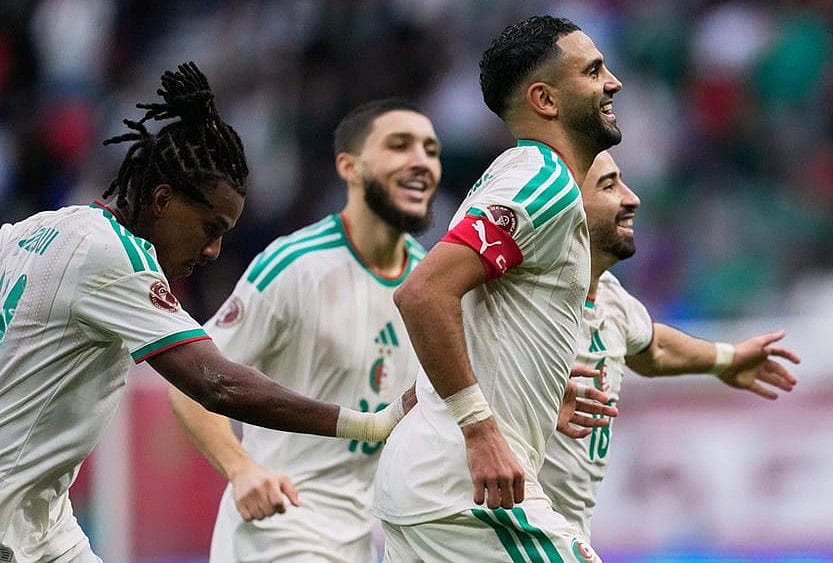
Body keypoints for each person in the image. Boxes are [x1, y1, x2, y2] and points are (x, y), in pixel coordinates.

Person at [0, 63, 409, 563]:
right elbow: (216, 383)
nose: (213, 251)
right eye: (209, 227)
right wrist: (367, 424)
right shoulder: (116, 259)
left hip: (44, 529)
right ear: (163, 201)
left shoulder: (30, 231)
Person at [372, 15, 622, 562]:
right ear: (546, 100)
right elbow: (423, 294)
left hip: (432, 486)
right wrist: (481, 430)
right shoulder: (542, 182)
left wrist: (532, 390)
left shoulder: (517, 176)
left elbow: (470, 305)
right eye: (593, 71)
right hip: (466, 493)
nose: (613, 83)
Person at [166, 98, 441, 562]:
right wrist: (242, 471)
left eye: (431, 150)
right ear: (350, 167)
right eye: (400, 145)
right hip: (279, 529)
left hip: (363, 537)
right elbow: (191, 385)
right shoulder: (295, 265)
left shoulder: (430, 283)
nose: (422, 161)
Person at [539, 150, 801, 541]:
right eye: (608, 186)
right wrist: (522, 399)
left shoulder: (611, 297)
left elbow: (653, 348)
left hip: (564, 528)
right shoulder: (517, 294)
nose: (631, 198)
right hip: (506, 523)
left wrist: (725, 359)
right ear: (568, 207)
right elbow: (434, 307)